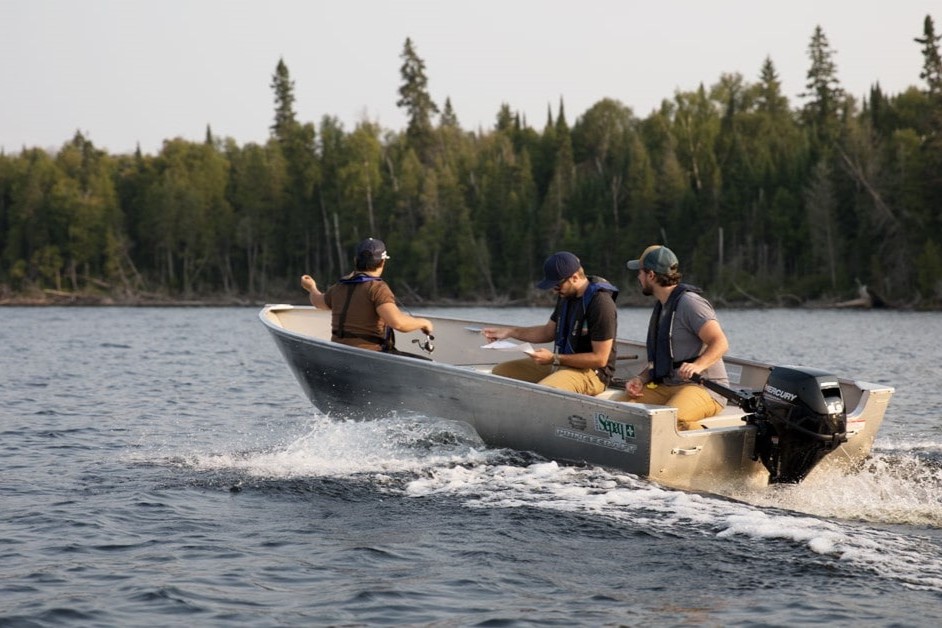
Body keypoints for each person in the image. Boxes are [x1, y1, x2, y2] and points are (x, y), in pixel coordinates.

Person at [616, 245, 729, 430]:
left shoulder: (690, 304)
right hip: (668, 386)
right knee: (618, 411)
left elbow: (720, 342)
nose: (638, 277)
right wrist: (641, 379)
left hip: (704, 388)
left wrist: (697, 366)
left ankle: (709, 443)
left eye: (640, 272)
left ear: (651, 275)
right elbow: (664, 360)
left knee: (670, 420)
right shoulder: (663, 306)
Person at [482, 251, 618, 395]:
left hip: (592, 373)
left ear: (574, 277)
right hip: (562, 363)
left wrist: (554, 358)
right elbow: (548, 332)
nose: (554, 291)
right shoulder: (566, 295)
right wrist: (510, 332)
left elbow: (600, 359)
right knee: (500, 372)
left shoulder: (601, 304)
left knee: (544, 391)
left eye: (557, 285)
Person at [300, 237, 434, 357]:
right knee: (428, 364)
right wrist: (424, 323)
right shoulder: (377, 288)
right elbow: (398, 323)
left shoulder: (339, 286)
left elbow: (317, 301)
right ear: (382, 262)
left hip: (339, 353)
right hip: (371, 355)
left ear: (355, 260)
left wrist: (311, 288)